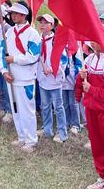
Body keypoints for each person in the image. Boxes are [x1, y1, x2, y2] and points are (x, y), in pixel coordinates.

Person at [75, 26, 104, 189]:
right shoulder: (88, 60)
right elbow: (82, 85)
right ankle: (102, 176)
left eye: (98, 38)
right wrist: (81, 80)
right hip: (91, 109)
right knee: (97, 145)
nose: (93, 41)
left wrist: (91, 90)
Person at [0, 1, 41, 153]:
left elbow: (33, 56)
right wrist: (4, 71)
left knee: (27, 110)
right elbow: (1, 52)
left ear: (24, 15)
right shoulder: (8, 32)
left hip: (25, 79)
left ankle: (31, 140)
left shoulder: (33, 34)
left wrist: (14, 59)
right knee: (16, 109)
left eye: (16, 13)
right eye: (12, 13)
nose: (13, 16)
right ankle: (21, 136)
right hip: (10, 77)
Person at [36, 14, 68, 143]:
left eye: (46, 22)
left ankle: (62, 133)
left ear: (52, 25)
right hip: (43, 78)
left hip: (54, 79)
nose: (42, 25)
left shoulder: (56, 40)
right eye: (41, 22)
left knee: (58, 107)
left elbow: (64, 59)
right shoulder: (39, 41)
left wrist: (54, 69)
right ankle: (47, 129)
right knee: (45, 105)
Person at [62, 48, 83, 136]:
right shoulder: (60, 46)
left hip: (72, 80)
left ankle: (76, 125)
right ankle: (67, 122)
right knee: (65, 104)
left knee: (73, 104)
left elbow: (79, 64)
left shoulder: (75, 48)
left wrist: (77, 79)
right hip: (62, 80)